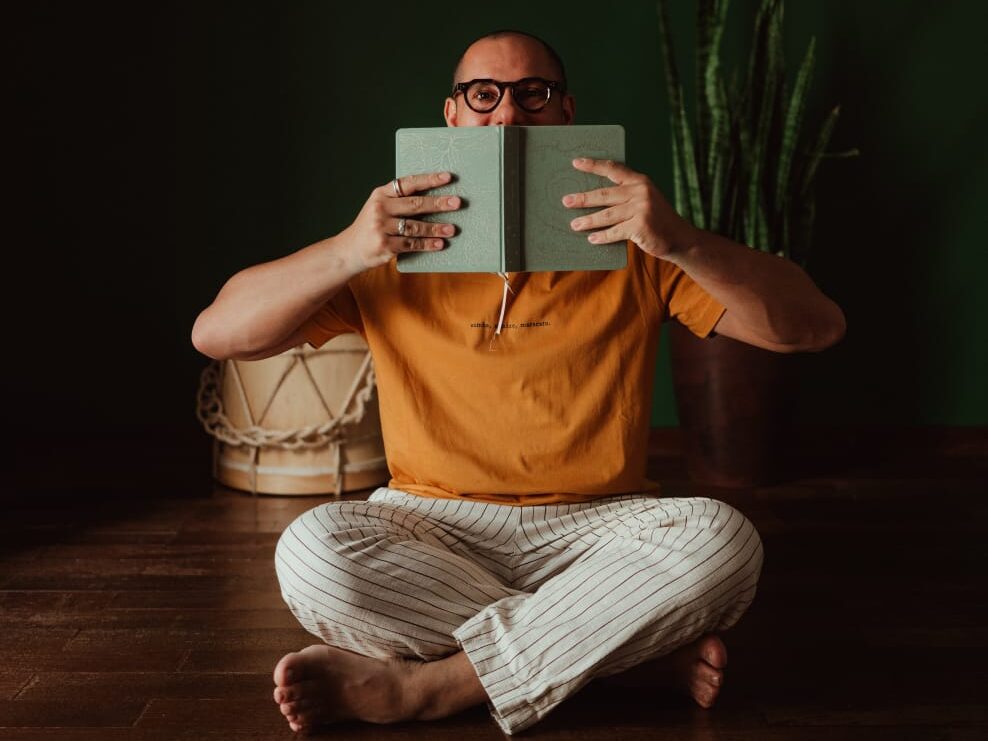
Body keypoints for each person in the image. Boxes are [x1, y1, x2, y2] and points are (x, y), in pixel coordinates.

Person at [192, 29, 845, 736]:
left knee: (727, 541)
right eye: (484, 96)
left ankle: (433, 687)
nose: (507, 116)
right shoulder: (388, 250)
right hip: (430, 521)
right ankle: (615, 654)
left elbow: (814, 326)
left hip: (601, 524)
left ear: (566, 114)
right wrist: (353, 246)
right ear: (452, 117)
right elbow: (217, 333)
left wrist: (680, 238)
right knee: (310, 554)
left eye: (532, 94)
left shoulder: (639, 241)